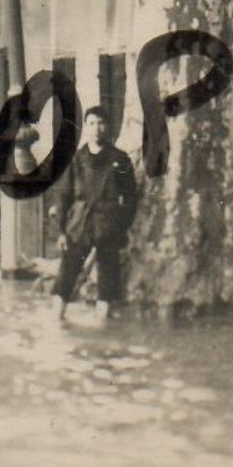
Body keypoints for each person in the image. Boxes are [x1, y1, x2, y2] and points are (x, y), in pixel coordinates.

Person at [49, 106, 138, 319]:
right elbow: (64, 196)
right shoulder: (77, 160)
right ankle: (57, 323)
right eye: (91, 123)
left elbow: (131, 197)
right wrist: (61, 231)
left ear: (107, 127)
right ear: (85, 127)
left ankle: (102, 329)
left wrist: (121, 226)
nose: (96, 128)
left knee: (107, 281)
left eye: (100, 123)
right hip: (80, 225)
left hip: (108, 226)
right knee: (66, 274)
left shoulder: (120, 159)